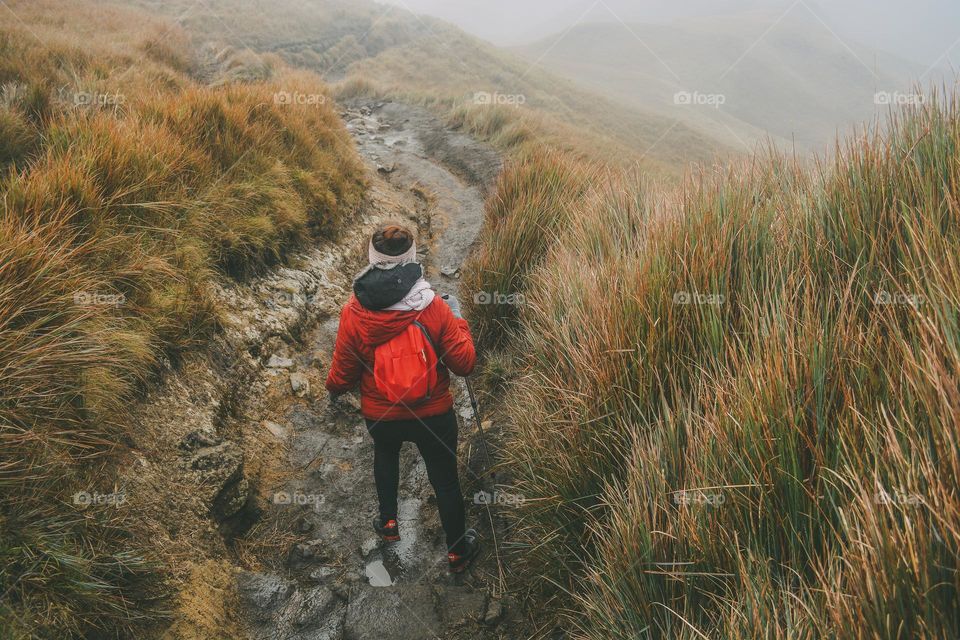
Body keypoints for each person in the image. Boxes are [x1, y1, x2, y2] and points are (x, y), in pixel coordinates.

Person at [325, 223, 480, 573]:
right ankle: (457, 551)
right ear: (411, 257)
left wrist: (333, 389)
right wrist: (459, 320)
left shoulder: (354, 312)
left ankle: (389, 524)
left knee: (385, 454)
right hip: (434, 415)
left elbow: (344, 370)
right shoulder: (433, 306)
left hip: (382, 416)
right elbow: (465, 364)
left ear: (372, 257)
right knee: (445, 480)